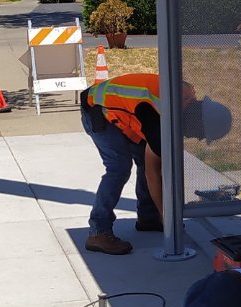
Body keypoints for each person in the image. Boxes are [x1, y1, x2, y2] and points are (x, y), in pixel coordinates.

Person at [80, 73, 232, 254]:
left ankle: (148, 218)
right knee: (118, 168)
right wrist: (167, 218)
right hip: (98, 109)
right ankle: (98, 231)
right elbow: (153, 173)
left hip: (126, 111)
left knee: (143, 160)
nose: (195, 138)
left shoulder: (184, 97)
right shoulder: (159, 117)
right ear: (197, 121)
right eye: (199, 134)